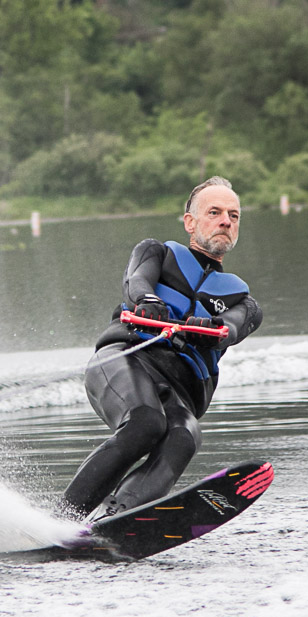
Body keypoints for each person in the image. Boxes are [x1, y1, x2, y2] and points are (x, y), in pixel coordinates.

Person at [59, 176, 263, 521]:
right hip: (125, 360)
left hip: (181, 390)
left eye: (234, 215)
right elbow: (136, 281)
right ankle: (61, 519)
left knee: (183, 437)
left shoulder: (244, 301)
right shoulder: (157, 253)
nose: (225, 220)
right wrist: (148, 300)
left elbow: (234, 327)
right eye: (214, 212)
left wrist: (215, 330)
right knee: (146, 423)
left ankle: (114, 519)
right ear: (190, 222)